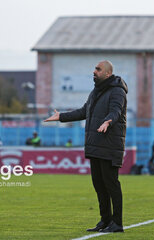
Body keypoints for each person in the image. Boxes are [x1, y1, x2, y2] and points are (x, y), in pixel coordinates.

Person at [44, 60, 127, 233]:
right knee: (99, 185)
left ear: (108, 74)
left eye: (98, 69)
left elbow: (116, 111)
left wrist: (108, 121)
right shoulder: (95, 92)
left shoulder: (117, 91)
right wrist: (61, 117)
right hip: (95, 145)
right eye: (95, 68)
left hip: (110, 145)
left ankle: (117, 223)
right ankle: (105, 220)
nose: (94, 71)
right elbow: (83, 112)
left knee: (111, 184)